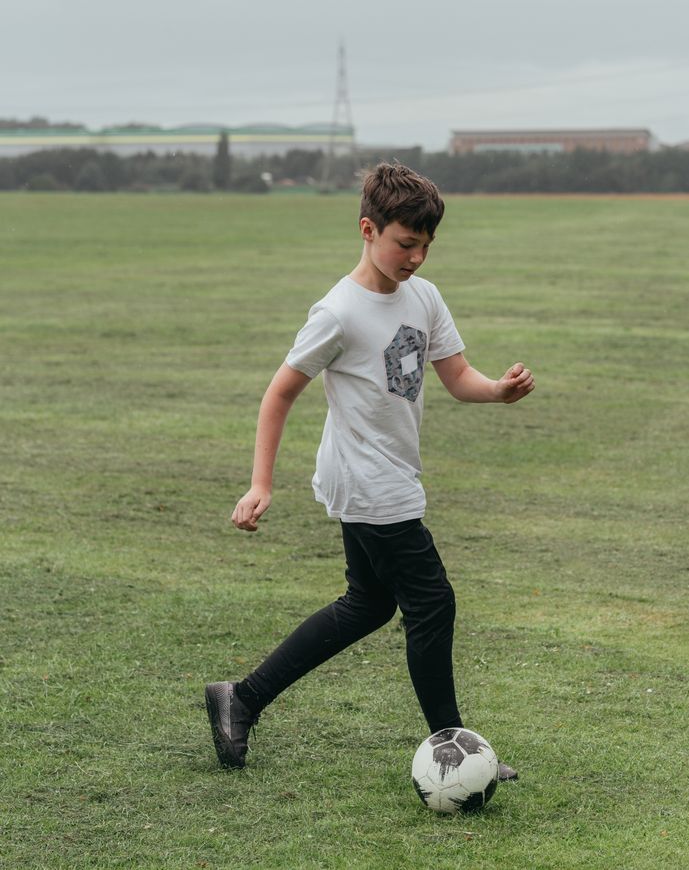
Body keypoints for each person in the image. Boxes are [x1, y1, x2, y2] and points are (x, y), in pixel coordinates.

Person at [205, 163, 535, 777]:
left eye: (425, 246)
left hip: (391, 472)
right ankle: (453, 752)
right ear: (368, 229)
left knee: (367, 606)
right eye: (405, 243)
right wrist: (260, 483)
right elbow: (279, 393)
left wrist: (497, 391)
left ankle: (241, 698)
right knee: (432, 603)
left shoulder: (424, 296)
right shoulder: (337, 313)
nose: (415, 257)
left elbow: (458, 377)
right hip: (365, 478)